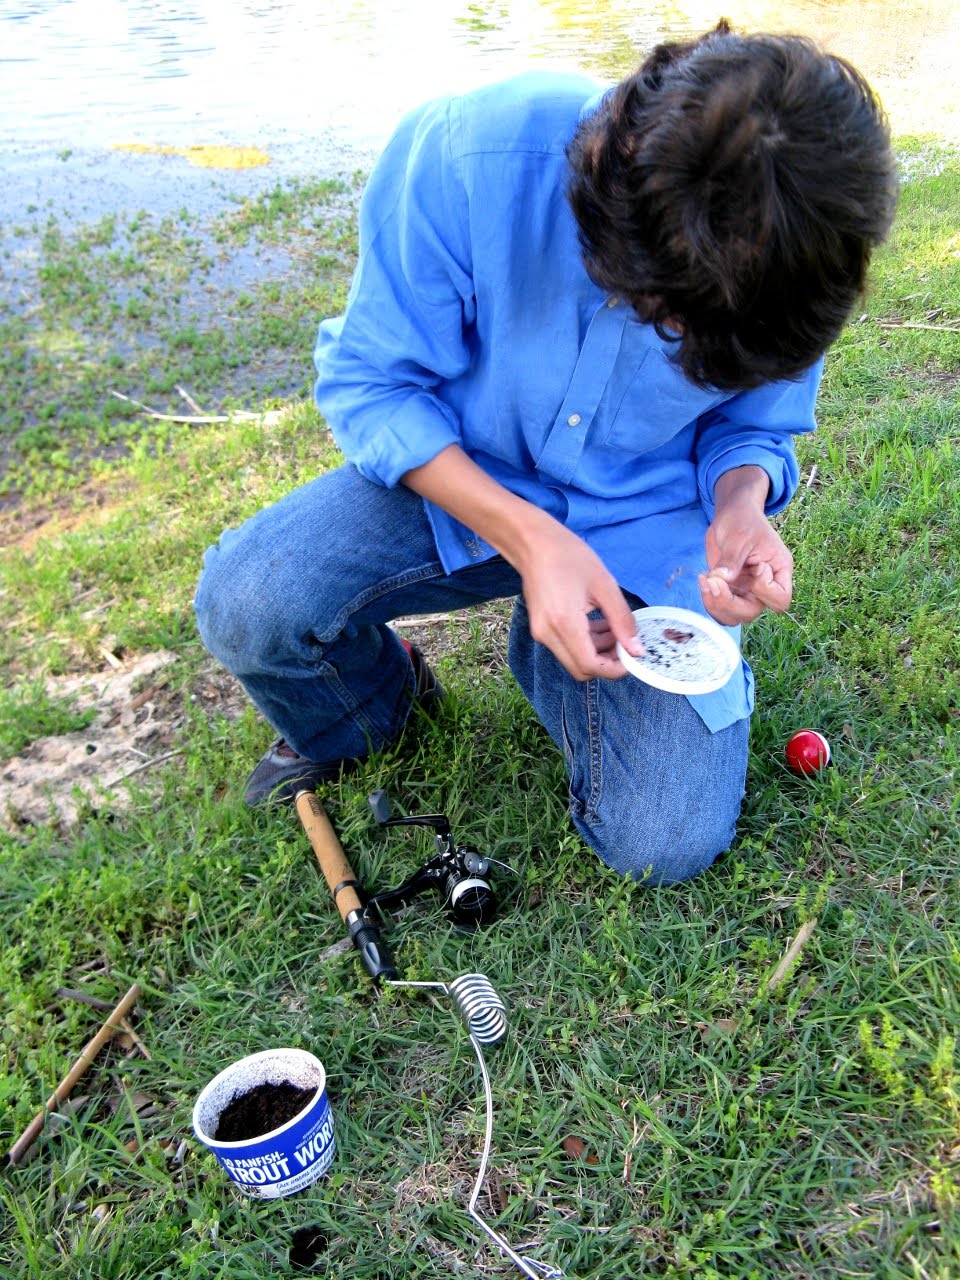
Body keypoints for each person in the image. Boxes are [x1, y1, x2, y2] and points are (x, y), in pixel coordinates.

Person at [194, 22, 896, 884]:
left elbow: (754, 425)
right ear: (620, 236)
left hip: (644, 522)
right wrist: (532, 541)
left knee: (664, 843)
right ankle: (382, 704)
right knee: (248, 600)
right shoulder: (469, 155)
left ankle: (557, 641)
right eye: (675, 331)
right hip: (459, 476)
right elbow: (373, 385)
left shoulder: (799, 247)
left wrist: (740, 506)